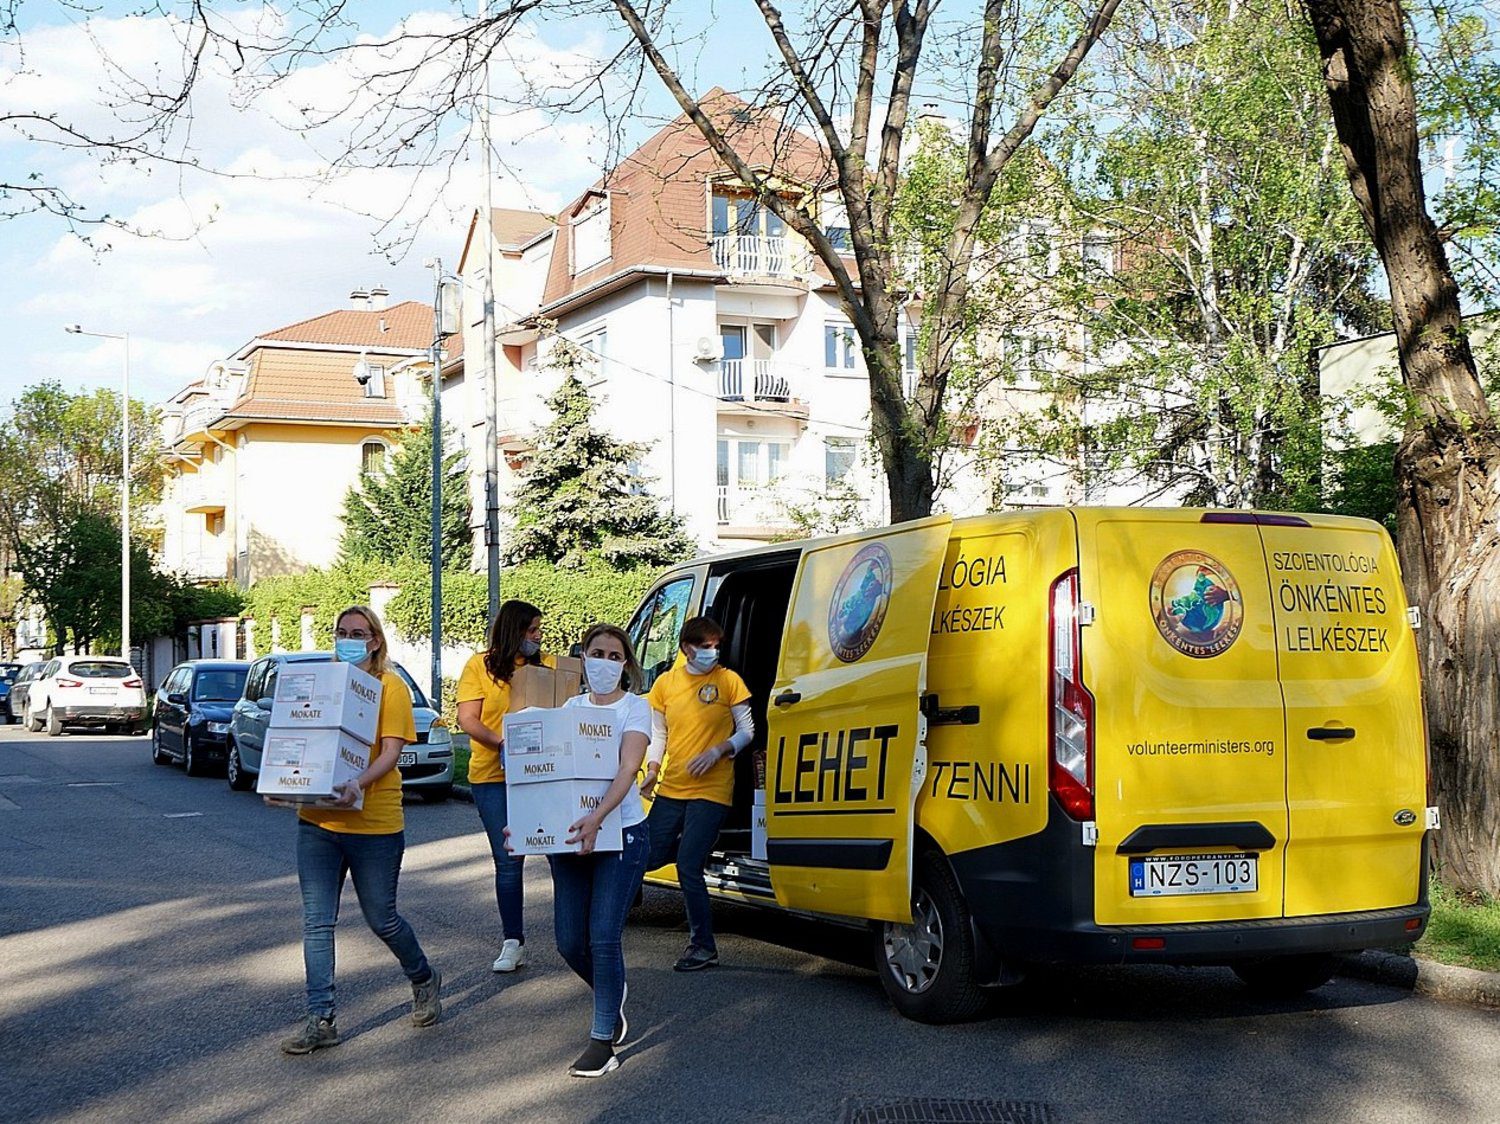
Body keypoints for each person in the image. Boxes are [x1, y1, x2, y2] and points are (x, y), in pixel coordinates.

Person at [278, 605, 441, 1055]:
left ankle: (424, 977)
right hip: (318, 822)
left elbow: (390, 753)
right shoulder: (321, 686)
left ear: (375, 641)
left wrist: (358, 783)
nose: (348, 638)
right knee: (317, 922)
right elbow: (299, 740)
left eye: (358, 633)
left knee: (382, 919)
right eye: (341, 631)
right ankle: (321, 1018)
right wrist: (286, 781)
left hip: (374, 823)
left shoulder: (390, 689)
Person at [538, 623, 652, 1078]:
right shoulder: (570, 708)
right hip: (572, 837)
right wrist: (528, 827)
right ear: (582, 657)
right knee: (569, 942)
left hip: (620, 834)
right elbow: (549, 775)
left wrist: (599, 816)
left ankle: (603, 1040)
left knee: (603, 937)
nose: (604, 661)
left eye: (614, 654)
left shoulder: (635, 709)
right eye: (596, 652)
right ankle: (613, 991)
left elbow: (628, 769)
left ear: (626, 664)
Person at [640, 616, 754, 972]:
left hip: (713, 787)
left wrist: (720, 750)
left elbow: (748, 729)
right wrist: (653, 770)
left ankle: (703, 947)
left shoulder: (728, 681)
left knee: (689, 866)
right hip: (672, 784)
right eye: (706, 646)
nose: (713, 652)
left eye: (716, 645)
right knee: (646, 853)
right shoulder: (665, 684)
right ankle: (696, 844)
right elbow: (658, 734)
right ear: (687, 648)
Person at [456, 599, 553, 973]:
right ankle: (513, 941)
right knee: (509, 860)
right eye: (532, 631)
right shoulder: (479, 666)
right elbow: (468, 719)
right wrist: (503, 743)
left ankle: (576, 932)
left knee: (557, 853)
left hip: (540, 776)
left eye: (538, 630)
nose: (537, 637)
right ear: (513, 630)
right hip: (492, 778)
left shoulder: (543, 669)